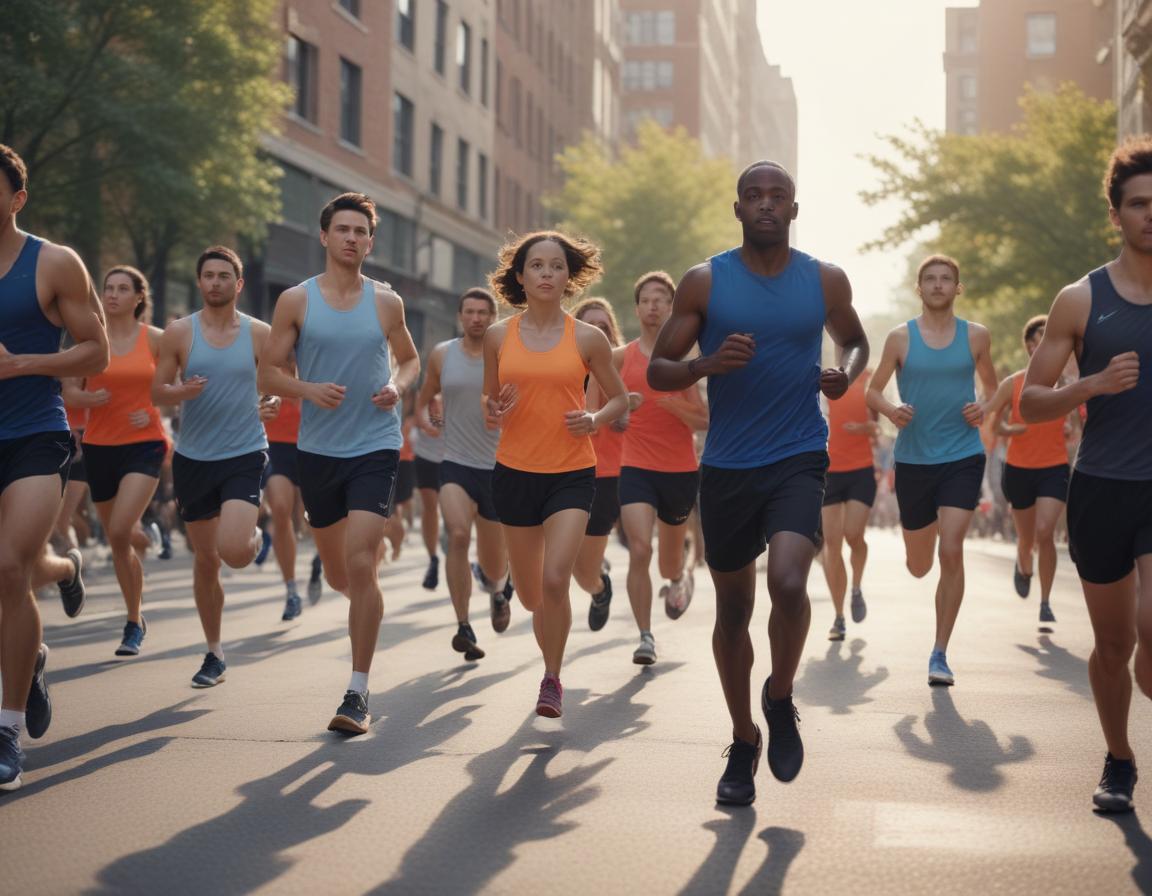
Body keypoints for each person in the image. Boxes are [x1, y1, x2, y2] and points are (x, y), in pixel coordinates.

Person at [647, 161, 867, 806]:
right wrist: (708, 363)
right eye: (754, 196)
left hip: (799, 454)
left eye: (778, 196)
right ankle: (743, 739)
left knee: (790, 582)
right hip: (727, 466)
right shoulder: (705, 281)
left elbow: (854, 340)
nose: (766, 205)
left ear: (794, 209)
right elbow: (659, 372)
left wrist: (844, 375)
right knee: (735, 611)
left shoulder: (824, 279)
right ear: (738, 208)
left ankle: (779, 696)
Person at [1020, 138, 1152, 813]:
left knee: (1151, 629)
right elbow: (1030, 399)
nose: (1151, 214)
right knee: (1113, 642)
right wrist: (1092, 384)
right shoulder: (1080, 298)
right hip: (1101, 486)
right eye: (1139, 204)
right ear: (1117, 215)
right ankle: (1119, 758)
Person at [259, 192, 419, 736]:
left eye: (361, 232)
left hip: (375, 444)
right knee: (337, 572)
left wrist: (396, 387)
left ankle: (357, 690)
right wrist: (307, 389)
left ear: (370, 243)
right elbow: (269, 373)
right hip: (319, 449)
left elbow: (411, 358)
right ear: (324, 237)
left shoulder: (386, 302)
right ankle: (364, 607)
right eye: (342, 230)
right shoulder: (296, 301)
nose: (352, 238)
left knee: (359, 561)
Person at [484, 231, 628, 718]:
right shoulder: (498, 336)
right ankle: (543, 640)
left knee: (554, 578)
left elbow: (619, 398)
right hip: (515, 471)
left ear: (570, 277)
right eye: (537, 266)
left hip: (572, 470)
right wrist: (494, 409)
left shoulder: (588, 338)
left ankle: (552, 679)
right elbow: (490, 408)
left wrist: (594, 420)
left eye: (556, 266)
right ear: (520, 277)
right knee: (529, 596)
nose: (547, 273)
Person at [0, 143, 108, 791]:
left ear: (17, 198)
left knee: (10, 566)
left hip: (35, 433)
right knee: (8, 572)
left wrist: (25, 365)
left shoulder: (54, 263)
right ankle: (36, 642)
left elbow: (94, 351)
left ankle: (6, 730)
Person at [867, 255, 998, 688]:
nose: (939, 285)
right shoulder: (900, 338)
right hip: (914, 460)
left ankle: (940, 652)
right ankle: (918, 558)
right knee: (920, 564)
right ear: (918, 287)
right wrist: (891, 410)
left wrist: (983, 408)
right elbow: (872, 389)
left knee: (952, 550)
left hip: (962, 455)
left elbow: (993, 390)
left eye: (947, 279)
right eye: (931, 279)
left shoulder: (976, 336)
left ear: (958, 288)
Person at [152, 245, 275, 688]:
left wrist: (274, 400)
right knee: (206, 560)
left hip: (244, 453)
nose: (217, 282)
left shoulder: (260, 333)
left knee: (234, 551)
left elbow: (278, 381)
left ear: (238, 284)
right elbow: (157, 392)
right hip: (193, 458)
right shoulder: (180, 333)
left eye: (225, 275)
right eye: (209, 275)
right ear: (200, 281)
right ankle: (214, 653)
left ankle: (255, 534)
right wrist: (180, 392)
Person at [68, 266, 167, 656]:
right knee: (118, 538)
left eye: (122, 288)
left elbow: (174, 386)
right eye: (108, 288)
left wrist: (155, 407)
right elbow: (69, 391)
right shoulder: (90, 339)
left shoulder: (156, 340)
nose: (112, 295)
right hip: (100, 445)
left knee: (122, 530)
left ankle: (130, 625)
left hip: (146, 443)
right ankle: (136, 613)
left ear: (138, 297)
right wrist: (88, 400)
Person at [616, 271, 709, 665]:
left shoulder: (681, 362)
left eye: (662, 300)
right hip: (634, 465)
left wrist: (677, 407)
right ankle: (645, 636)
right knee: (639, 549)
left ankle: (680, 575)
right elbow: (597, 408)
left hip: (679, 470)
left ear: (672, 309)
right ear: (636, 308)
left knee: (668, 562)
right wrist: (616, 413)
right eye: (647, 299)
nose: (654, 305)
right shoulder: (620, 358)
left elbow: (704, 421)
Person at [417, 288, 511, 662]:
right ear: (460, 316)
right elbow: (423, 398)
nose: (476, 318)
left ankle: (500, 589)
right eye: (469, 312)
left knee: (493, 564)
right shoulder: (443, 354)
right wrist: (426, 422)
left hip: (498, 467)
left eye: (483, 312)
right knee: (457, 535)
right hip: (454, 462)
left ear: (493, 317)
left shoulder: (506, 356)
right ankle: (463, 625)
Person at [984, 315, 1073, 623]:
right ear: (1028, 347)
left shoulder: (1065, 383)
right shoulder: (1015, 383)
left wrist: (1068, 433)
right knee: (1026, 540)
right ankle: (1023, 565)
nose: (1039, 346)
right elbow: (994, 420)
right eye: (1034, 342)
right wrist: (1011, 431)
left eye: (1045, 340)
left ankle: (1046, 602)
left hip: (1054, 467)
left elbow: (1074, 426)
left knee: (1045, 531)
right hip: (1019, 468)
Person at [571, 298, 628, 632]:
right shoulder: (561, 367)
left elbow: (633, 406)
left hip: (606, 474)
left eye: (603, 327)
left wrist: (623, 412)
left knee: (584, 573)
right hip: (559, 470)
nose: (597, 332)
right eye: (590, 325)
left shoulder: (619, 367)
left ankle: (599, 587)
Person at [821, 369, 878, 640]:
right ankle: (839, 617)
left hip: (860, 470)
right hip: (828, 472)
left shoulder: (870, 378)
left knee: (854, 535)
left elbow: (881, 425)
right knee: (832, 545)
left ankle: (856, 587)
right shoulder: (824, 378)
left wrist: (865, 428)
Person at [262, 391, 306, 621]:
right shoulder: (266, 355)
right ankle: (291, 590)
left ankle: (322, 565)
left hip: (314, 440)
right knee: (280, 510)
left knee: (316, 518)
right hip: (275, 444)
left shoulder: (310, 354)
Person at [412, 411, 445, 589]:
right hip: (425, 455)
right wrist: (422, 422)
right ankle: (433, 558)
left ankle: (450, 531)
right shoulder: (418, 383)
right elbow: (410, 413)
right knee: (430, 507)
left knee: (451, 507)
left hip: (456, 456)